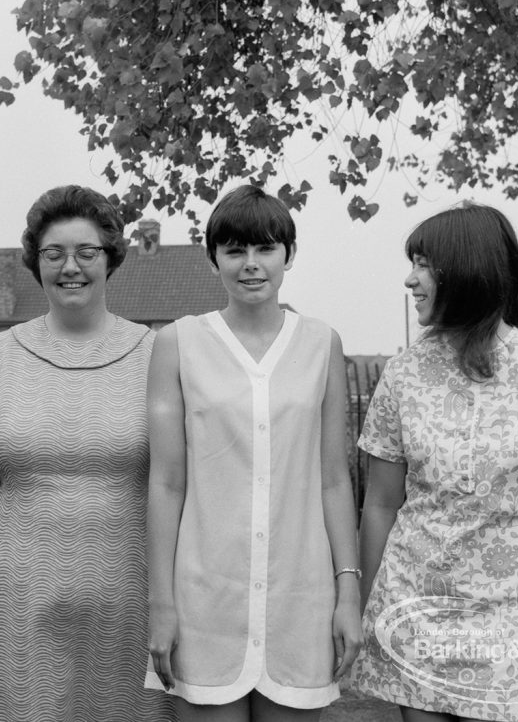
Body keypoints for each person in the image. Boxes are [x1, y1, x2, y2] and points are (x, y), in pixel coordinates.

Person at [350, 203, 518, 722]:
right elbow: (379, 503)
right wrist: (365, 612)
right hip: (416, 611)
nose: (410, 278)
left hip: (515, 620)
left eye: (423, 264)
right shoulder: (402, 374)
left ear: (467, 271)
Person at [145, 185, 363, 721]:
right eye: (235, 250)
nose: (250, 265)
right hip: (204, 596)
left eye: (265, 249)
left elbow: (334, 479)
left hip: (300, 596)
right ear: (214, 258)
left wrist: (348, 593)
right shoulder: (178, 342)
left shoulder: (322, 344)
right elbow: (166, 482)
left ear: (289, 254)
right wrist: (162, 604)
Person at [0, 185, 175, 721]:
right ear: (36, 262)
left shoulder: (157, 355)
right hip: (16, 589)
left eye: (86, 252)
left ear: (111, 258)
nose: (70, 267)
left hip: (130, 587)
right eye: (54, 254)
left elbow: (177, 482)